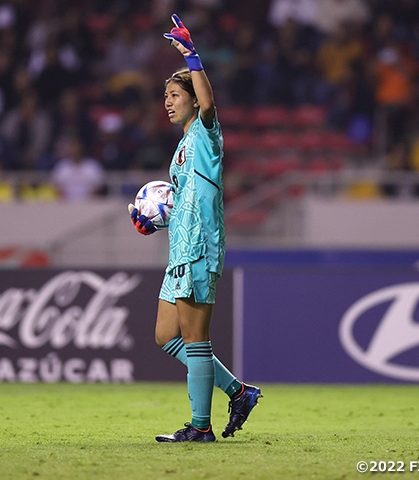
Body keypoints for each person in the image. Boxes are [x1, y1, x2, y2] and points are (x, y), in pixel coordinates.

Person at [129, 15, 261, 443]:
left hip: (200, 247)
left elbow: (209, 105)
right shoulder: (184, 144)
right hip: (180, 249)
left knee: (195, 337)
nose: (166, 102)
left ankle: (200, 427)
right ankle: (238, 391)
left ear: (190, 97)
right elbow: (181, 200)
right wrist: (154, 218)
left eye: (173, 94)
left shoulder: (206, 134)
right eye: (164, 96)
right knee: (166, 336)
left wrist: (191, 56)